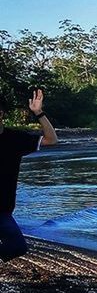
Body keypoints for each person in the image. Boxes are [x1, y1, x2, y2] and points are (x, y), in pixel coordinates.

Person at [0, 89, 58, 262]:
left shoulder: (15, 138)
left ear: (1, 114)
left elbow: (51, 139)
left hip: (3, 210)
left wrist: (38, 113)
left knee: (18, 247)